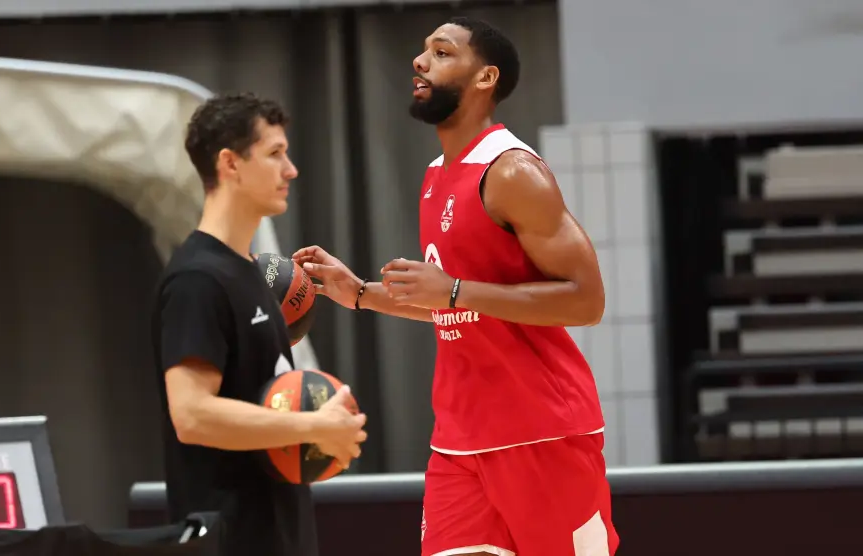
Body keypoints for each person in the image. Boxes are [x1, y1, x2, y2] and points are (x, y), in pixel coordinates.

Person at [294, 16, 619, 556]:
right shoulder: (435, 176)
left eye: (442, 53)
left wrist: (453, 291)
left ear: (485, 78)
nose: (420, 62)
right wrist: (358, 292)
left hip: (541, 432)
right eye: (423, 52)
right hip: (458, 442)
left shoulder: (513, 172)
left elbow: (587, 300)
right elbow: (454, 307)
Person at [151, 92, 368, 556]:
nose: (290, 170)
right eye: (274, 154)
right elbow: (191, 415)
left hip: (279, 533)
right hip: (229, 539)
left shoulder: (252, 273)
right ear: (230, 164)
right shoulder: (196, 279)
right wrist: (311, 426)